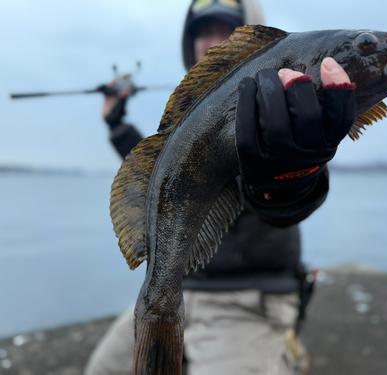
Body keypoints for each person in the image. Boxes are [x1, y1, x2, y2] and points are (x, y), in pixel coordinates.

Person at [84, 1, 356, 374]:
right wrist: (117, 124)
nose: (211, 42)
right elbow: (169, 171)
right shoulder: (193, 110)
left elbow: (286, 200)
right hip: (183, 286)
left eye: (225, 30)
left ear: (250, 34)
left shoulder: (283, 96)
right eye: (202, 32)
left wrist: (292, 174)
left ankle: (285, 352)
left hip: (250, 297)